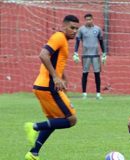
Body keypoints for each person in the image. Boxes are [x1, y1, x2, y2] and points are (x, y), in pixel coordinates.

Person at [24, 15, 80, 160]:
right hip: (48, 86)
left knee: (55, 120)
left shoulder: (64, 41)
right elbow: (43, 55)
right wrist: (55, 77)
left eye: (76, 29)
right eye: (72, 28)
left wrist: (63, 77)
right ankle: (34, 126)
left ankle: (33, 153)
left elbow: (55, 61)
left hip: (41, 86)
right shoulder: (59, 37)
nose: (74, 31)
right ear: (64, 26)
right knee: (71, 119)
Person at [73, 13, 107, 99]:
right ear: (85, 20)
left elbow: (101, 41)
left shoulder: (97, 29)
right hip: (85, 55)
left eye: (90, 19)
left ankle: (98, 94)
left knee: (97, 74)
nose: (88, 21)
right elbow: (77, 41)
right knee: (85, 74)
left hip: (95, 55)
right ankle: (84, 93)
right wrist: (75, 52)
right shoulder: (81, 30)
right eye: (87, 19)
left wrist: (104, 53)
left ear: (92, 19)